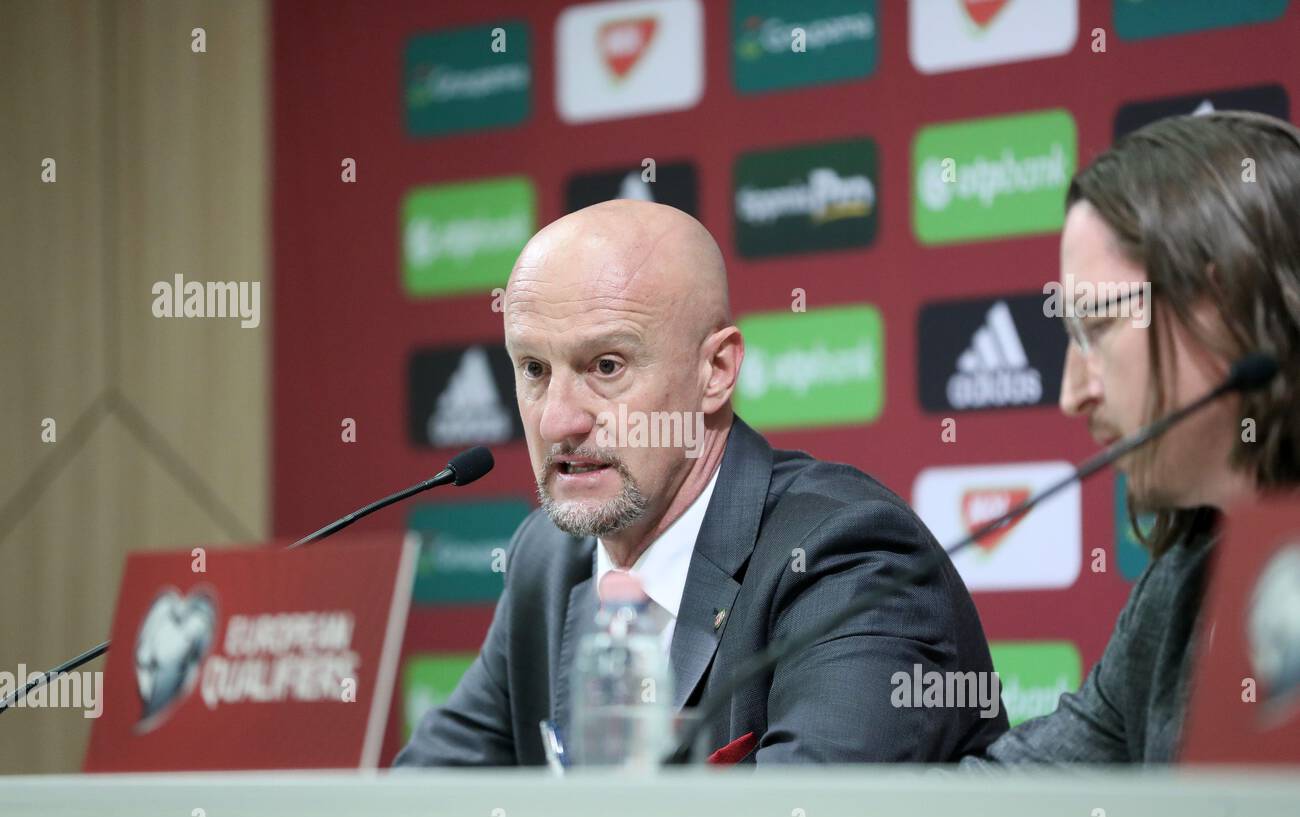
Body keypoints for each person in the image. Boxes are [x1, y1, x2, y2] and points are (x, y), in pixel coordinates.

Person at [396, 199, 1005, 766]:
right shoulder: (549, 560)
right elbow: (422, 807)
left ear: (715, 371)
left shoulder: (847, 557)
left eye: (606, 366)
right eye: (533, 369)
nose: (558, 419)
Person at [966, 111, 1300, 765]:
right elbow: (1026, 795)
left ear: (1227, 302)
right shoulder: (1185, 580)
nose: (1072, 394)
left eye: (1095, 323)